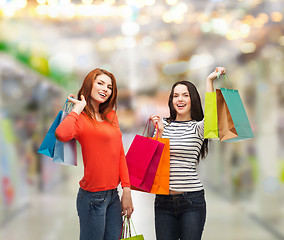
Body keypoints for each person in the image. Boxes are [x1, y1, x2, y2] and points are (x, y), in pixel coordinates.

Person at [55, 68, 134, 240]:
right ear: (89, 85)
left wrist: (126, 190)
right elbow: (61, 134)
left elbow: (119, 153)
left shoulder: (111, 116)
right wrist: (77, 109)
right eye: (100, 83)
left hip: (113, 196)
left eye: (110, 86)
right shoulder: (80, 118)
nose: (105, 89)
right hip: (92, 197)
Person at [150, 67, 226, 240]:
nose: (180, 99)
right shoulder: (163, 125)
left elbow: (213, 115)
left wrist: (209, 81)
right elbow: (154, 162)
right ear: (171, 100)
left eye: (185, 95)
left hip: (192, 200)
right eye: (176, 95)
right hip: (163, 201)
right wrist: (159, 133)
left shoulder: (198, 128)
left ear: (193, 99)